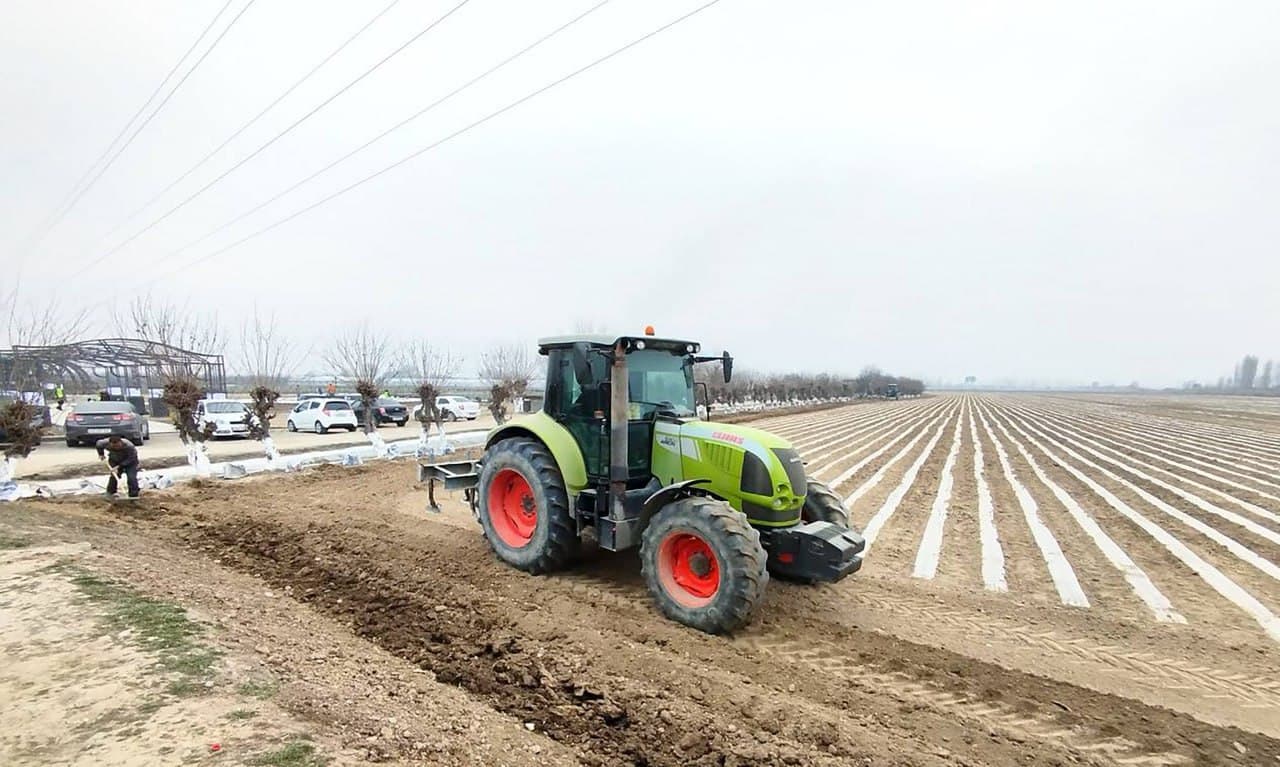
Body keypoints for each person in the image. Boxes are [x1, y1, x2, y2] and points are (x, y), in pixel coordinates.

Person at [96, 435, 141, 499]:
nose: (116, 448)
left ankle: (133, 495)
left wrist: (119, 466)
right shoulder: (103, 443)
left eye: (118, 446)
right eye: (114, 446)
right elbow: (98, 445)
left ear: (121, 443)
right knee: (114, 476)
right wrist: (101, 454)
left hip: (130, 462)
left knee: (131, 478)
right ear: (110, 444)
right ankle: (111, 492)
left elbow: (131, 458)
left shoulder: (129, 446)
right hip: (114, 460)